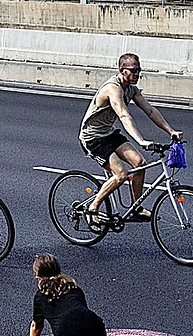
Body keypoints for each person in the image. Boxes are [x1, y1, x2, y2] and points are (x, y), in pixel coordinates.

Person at [77, 52, 181, 225]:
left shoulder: (131, 89)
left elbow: (150, 110)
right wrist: (141, 140)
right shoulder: (113, 88)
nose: (137, 74)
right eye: (133, 70)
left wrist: (171, 131)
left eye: (139, 70)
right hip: (92, 138)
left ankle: (136, 207)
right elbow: (124, 115)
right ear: (122, 70)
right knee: (121, 174)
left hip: (108, 133)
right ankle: (93, 208)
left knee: (140, 163)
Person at [8, 253, 125, 336]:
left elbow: (37, 326)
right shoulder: (74, 287)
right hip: (94, 324)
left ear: (38, 277)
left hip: (67, 332)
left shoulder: (40, 297)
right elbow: (82, 314)